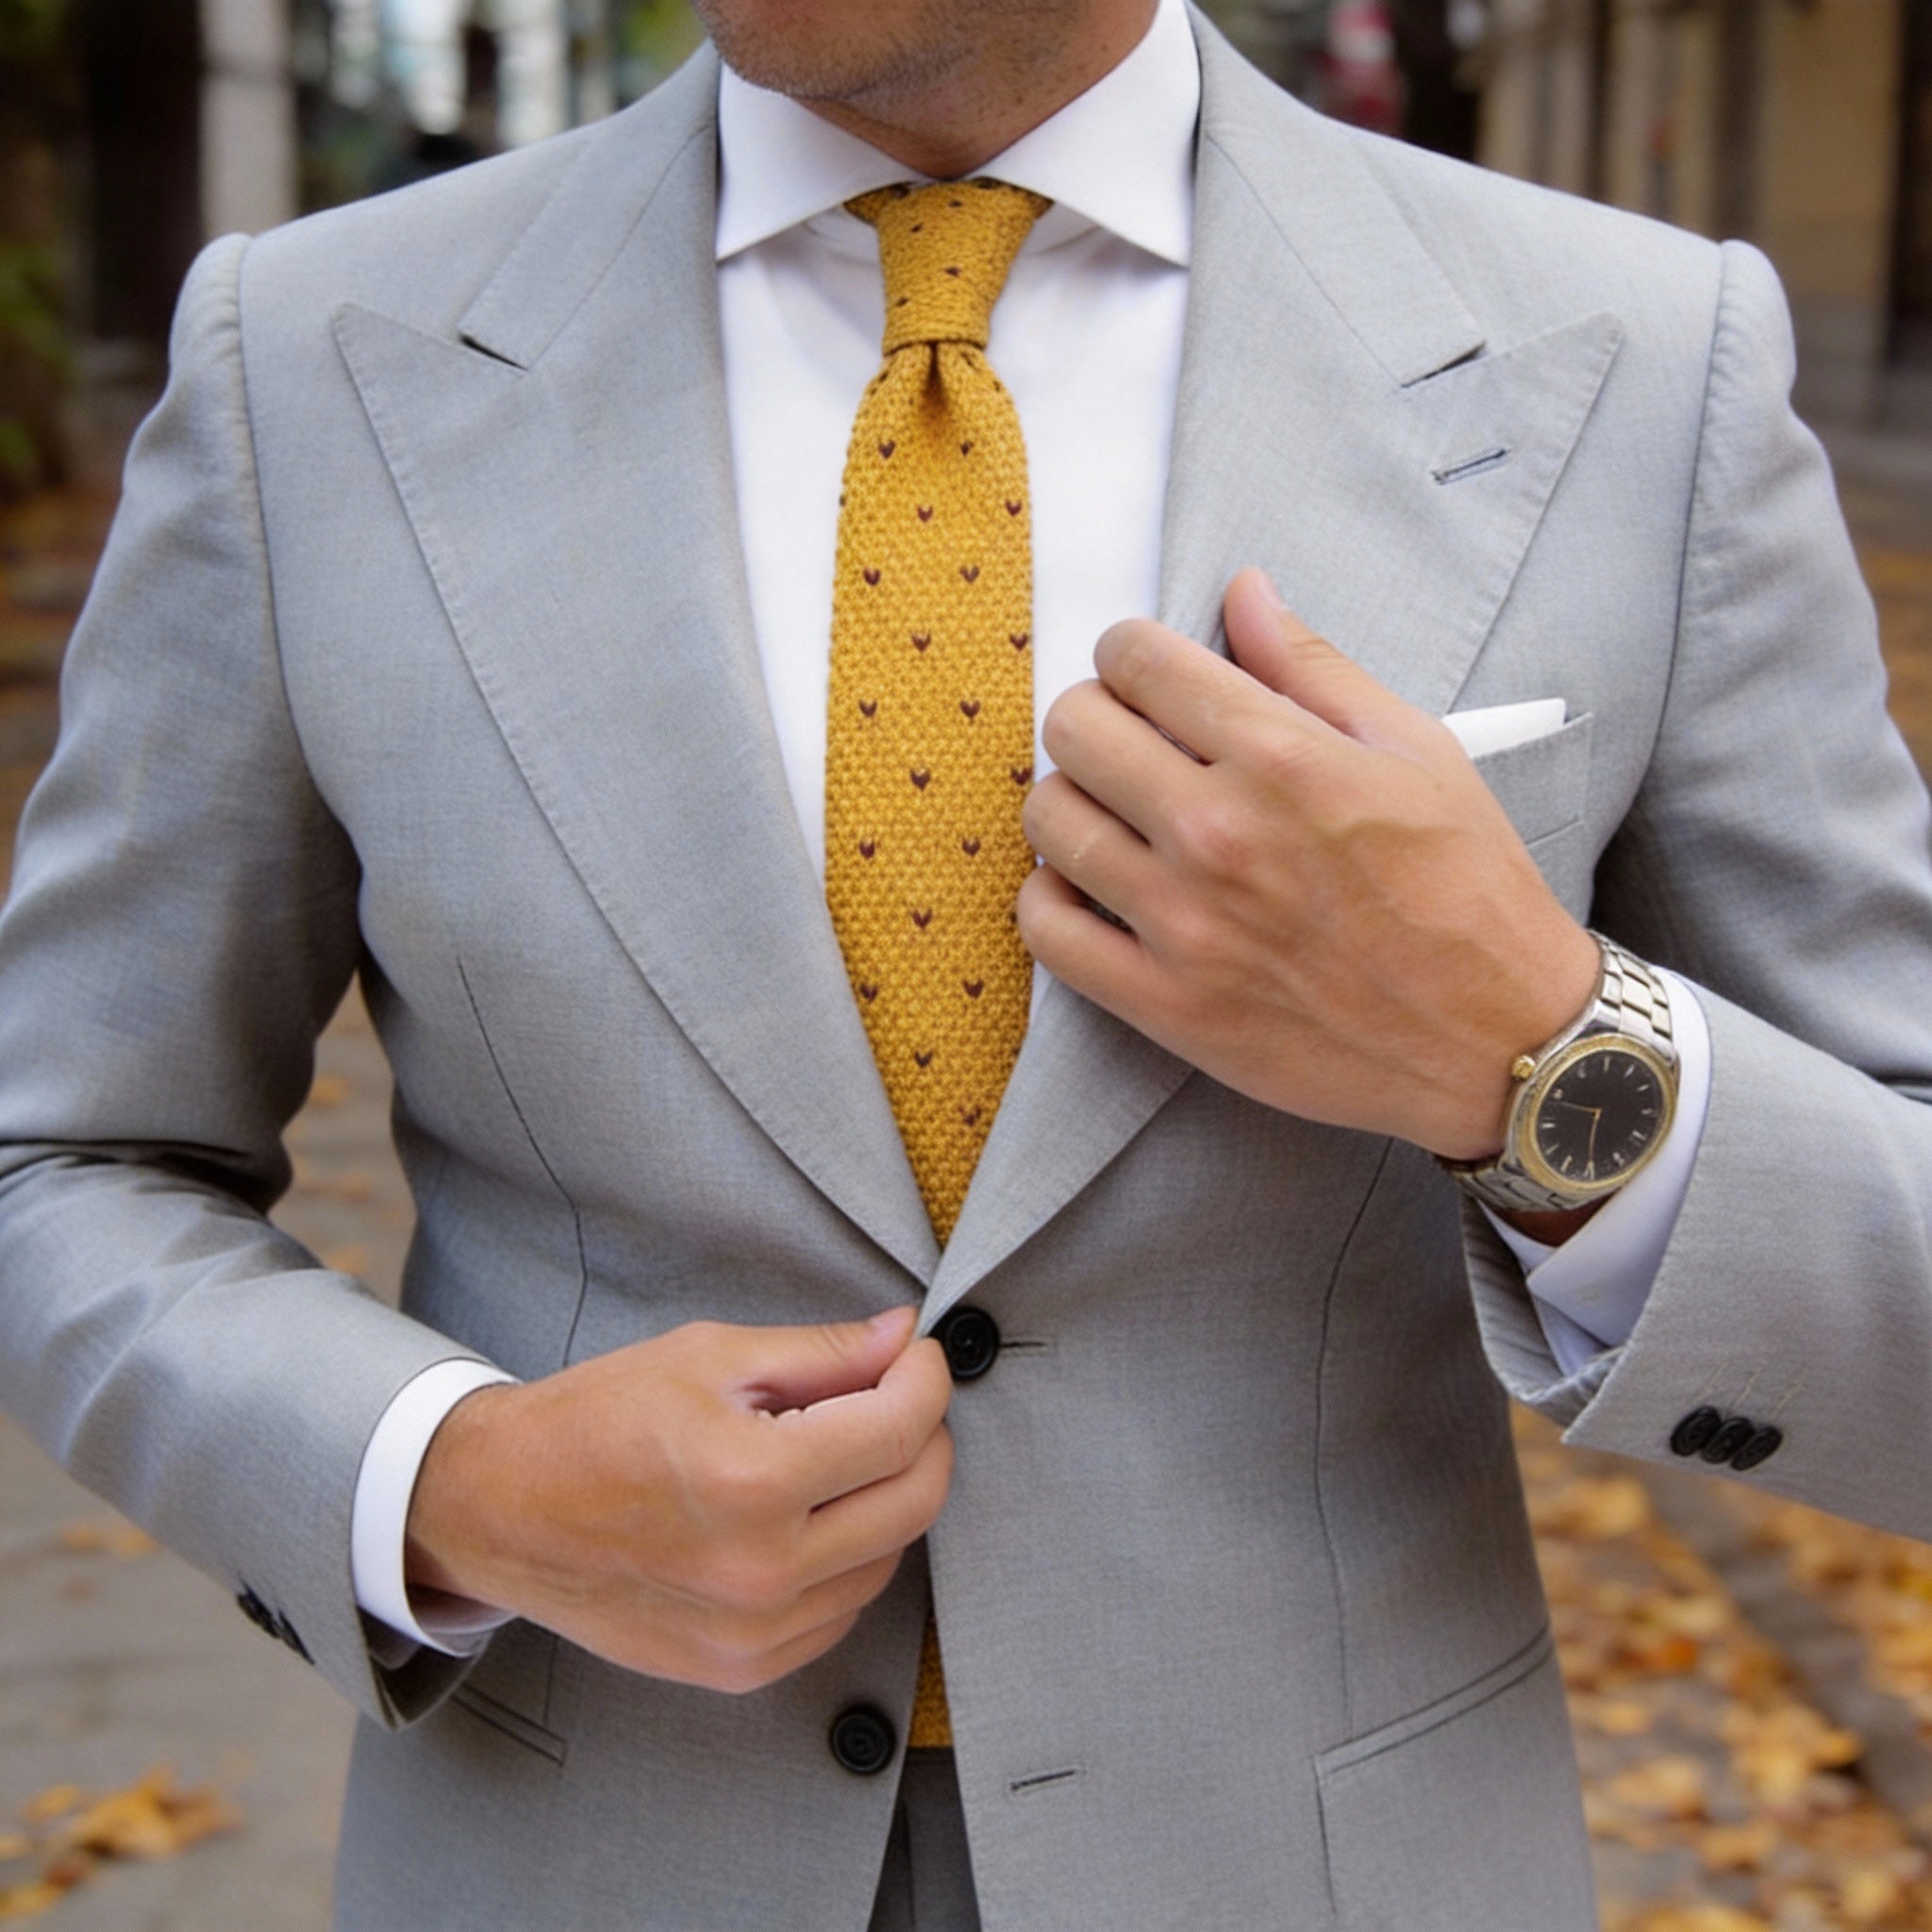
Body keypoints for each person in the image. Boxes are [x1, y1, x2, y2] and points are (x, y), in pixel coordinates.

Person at [1, 0, 1928, 1924]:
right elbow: (64, 1155)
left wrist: (1535, 1055)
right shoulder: (308, 360)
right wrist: (451, 1482)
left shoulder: (1643, 363)